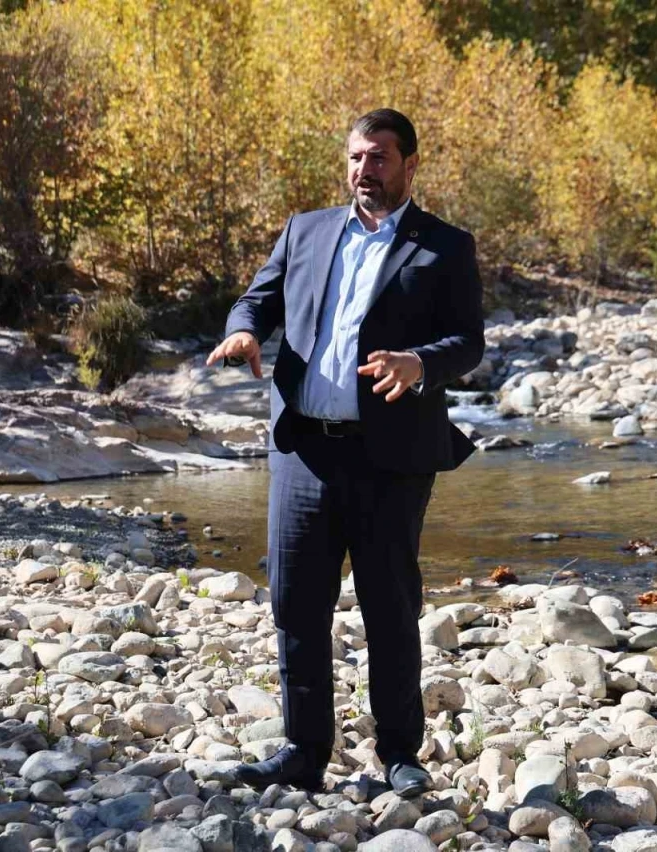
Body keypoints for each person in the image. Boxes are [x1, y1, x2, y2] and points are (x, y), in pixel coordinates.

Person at [205, 108, 484, 797]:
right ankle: (303, 753)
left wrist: (420, 363)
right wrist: (245, 332)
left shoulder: (445, 246)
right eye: (357, 157)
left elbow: (468, 342)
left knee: (389, 607)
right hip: (303, 450)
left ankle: (400, 754)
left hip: (391, 457)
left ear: (410, 165)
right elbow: (257, 299)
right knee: (297, 606)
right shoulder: (305, 230)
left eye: (380, 158)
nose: (366, 170)